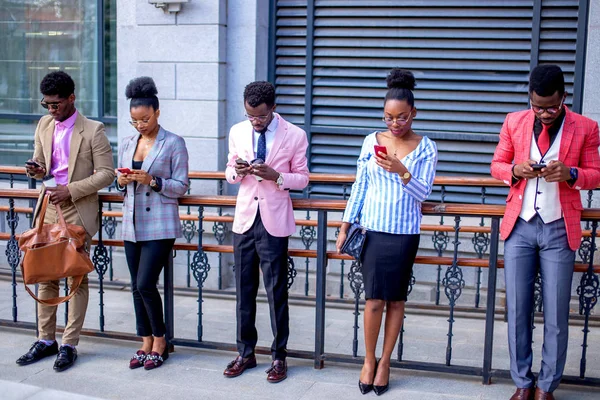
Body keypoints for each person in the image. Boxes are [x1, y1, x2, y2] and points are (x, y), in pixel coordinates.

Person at [491, 64, 600, 400]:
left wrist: (570, 173)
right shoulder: (514, 121)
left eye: (551, 107)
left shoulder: (586, 127)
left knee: (555, 314)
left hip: (558, 228)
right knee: (518, 310)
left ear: (563, 98)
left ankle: (546, 387)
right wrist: (515, 169)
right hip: (520, 227)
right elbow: (496, 164)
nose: (544, 113)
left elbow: (596, 174)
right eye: (537, 106)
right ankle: (523, 383)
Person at [336, 69, 437, 396]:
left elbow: (424, 194)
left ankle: (386, 363)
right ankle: (368, 359)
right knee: (374, 301)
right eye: (389, 117)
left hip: (404, 234)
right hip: (373, 232)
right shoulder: (371, 141)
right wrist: (345, 224)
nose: (395, 124)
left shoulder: (426, 148)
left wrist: (402, 171)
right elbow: (360, 185)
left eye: (402, 117)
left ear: (414, 113)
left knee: (396, 300)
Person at [17, 71, 115, 371]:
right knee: (46, 274)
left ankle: (69, 344)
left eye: (56, 104)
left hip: (76, 209)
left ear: (71, 98)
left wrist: (70, 190)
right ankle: (46, 340)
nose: (51, 110)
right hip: (47, 207)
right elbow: (44, 165)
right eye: (46, 104)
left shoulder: (94, 130)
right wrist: (36, 170)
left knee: (75, 277)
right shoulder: (44, 124)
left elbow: (107, 173)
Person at [223, 81, 309, 383]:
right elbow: (229, 171)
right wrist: (238, 172)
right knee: (244, 292)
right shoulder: (237, 131)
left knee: (276, 292)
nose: (255, 122)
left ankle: (279, 357)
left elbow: (303, 178)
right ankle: (245, 353)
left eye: (260, 116)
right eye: (250, 116)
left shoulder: (295, 135)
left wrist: (278, 176)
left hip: (274, 222)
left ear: (272, 108)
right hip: (245, 219)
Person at [116, 77, 189, 370]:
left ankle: (161, 340)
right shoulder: (127, 142)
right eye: (135, 121)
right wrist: (120, 181)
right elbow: (118, 183)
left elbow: (181, 186)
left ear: (157, 112)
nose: (140, 125)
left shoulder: (174, 143)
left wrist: (153, 180)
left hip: (160, 223)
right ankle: (144, 340)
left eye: (145, 119)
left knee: (146, 282)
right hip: (131, 222)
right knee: (135, 285)